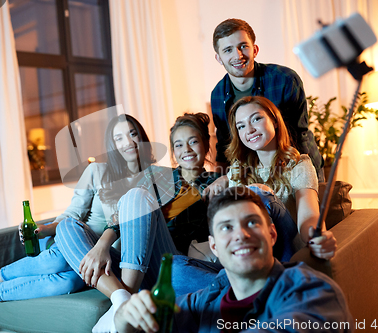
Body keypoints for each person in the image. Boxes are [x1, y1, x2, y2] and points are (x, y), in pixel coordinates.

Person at [0, 114, 153, 323]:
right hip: (76, 240)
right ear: (112, 145)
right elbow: (72, 215)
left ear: (142, 137)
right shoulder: (97, 172)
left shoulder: (156, 179)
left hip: (111, 258)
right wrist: (45, 229)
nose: (128, 142)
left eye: (133, 134)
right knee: (62, 260)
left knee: (70, 280)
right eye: (119, 138)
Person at [54, 112, 225, 332]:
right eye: (179, 145)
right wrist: (102, 246)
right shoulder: (161, 175)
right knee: (67, 227)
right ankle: (123, 301)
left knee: (138, 198)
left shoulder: (218, 183)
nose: (187, 150)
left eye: (193, 142)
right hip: (135, 261)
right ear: (173, 151)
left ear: (206, 145)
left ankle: (123, 303)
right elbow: (124, 216)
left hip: (169, 259)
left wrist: (227, 180)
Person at [114, 187, 353, 333]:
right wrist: (126, 315)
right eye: (226, 227)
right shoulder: (203, 301)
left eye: (251, 222)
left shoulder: (315, 292)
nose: (240, 234)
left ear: (271, 234)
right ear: (214, 247)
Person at [210, 18, 324, 181]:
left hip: (297, 167)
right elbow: (224, 145)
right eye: (228, 50)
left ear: (255, 50)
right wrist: (222, 182)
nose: (238, 55)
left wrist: (306, 178)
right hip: (254, 175)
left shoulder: (284, 79)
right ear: (219, 58)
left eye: (243, 46)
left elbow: (297, 134)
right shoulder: (217, 94)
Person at [224, 96, 335, 259]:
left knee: (258, 193)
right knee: (177, 267)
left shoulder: (299, 165)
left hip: (285, 250)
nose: (249, 130)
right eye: (241, 126)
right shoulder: (237, 169)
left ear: (275, 121)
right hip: (246, 250)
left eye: (256, 119)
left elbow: (309, 215)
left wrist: (317, 236)